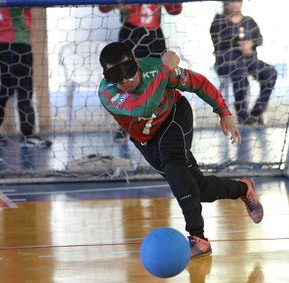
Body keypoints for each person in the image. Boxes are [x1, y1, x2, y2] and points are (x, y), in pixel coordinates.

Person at [98, 42, 264, 258]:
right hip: (146, 139)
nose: (122, 81)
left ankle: (198, 238)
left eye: (126, 71)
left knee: (174, 166)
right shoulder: (108, 93)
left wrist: (223, 111)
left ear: (136, 63)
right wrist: (166, 70)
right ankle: (244, 189)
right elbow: (143, 107)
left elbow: (198, 83)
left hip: (174, 116)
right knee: (199, 189)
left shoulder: (155, 68)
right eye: (113, 76)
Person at [99, 3, 182, 139]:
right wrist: (116, 4)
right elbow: (103, 7)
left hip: (154, 33)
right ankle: (126, 124)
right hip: (131, 31)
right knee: (123, 75)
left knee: (159, 74)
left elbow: (176, 10)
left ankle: (163, 119)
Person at [0, 8, 52, 148]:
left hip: (3, 42)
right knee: (24, 90)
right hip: (18, 42)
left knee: (6, 89)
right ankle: (28, 135)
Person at [209, 0, 277, 125]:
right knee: (239, 71)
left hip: (249, 60)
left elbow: (259, 39)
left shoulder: (249, 21)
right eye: (231, 1)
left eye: (238, 1)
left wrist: (251, 44)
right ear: (225, 3)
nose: (235, 4)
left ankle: (256, 113)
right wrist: (238, 46)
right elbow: (218, 43)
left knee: (270, 73)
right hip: (227, 63)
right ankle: (243, 115)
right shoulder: (218, 22)